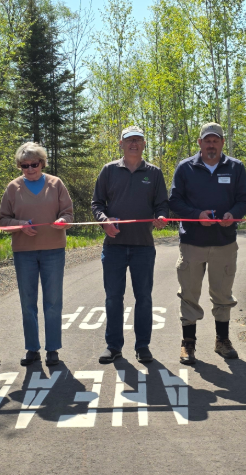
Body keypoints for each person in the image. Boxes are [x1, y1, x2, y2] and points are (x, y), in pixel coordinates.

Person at [168, 122, 246, 365]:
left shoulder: (236, 167)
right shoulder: (185, 167)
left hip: (224, 242)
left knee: (223, 293)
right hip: (192, 243)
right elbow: (175, 201)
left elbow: (244, 200)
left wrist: (233, 214)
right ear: (200, 143)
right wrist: (197, 215)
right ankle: (188, 343)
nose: (211, 145)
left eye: (216, 140)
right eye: (207, 140)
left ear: (222, 142)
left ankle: (222, 340)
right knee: (189, 293)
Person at [91, 126, 169, 365]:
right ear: (121, 144)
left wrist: (161, 217)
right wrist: (104, 222)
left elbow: (162, 205)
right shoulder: (109, 170)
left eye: (138, 140)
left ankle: (143, 346)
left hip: (143, 246)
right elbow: (97, 204)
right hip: (113, 246)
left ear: (144, 144)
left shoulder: (154, 173)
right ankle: (113, 346)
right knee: (113, 298)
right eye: (129, 140)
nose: (133, 144)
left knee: (143, 297)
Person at [0, 142, 73, 367]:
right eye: (25, 165)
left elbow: (68, 213)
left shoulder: (56, 184)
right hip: (24, 253)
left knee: (53, 301)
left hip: (54, 250)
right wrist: (20, 225)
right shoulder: (13, 188)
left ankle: (53, 349)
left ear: (42, 163)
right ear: (19, 166)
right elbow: (2, 220)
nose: (30, 169)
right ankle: (32, 348)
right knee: (27, 302)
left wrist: (63, 220)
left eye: (34, 164)